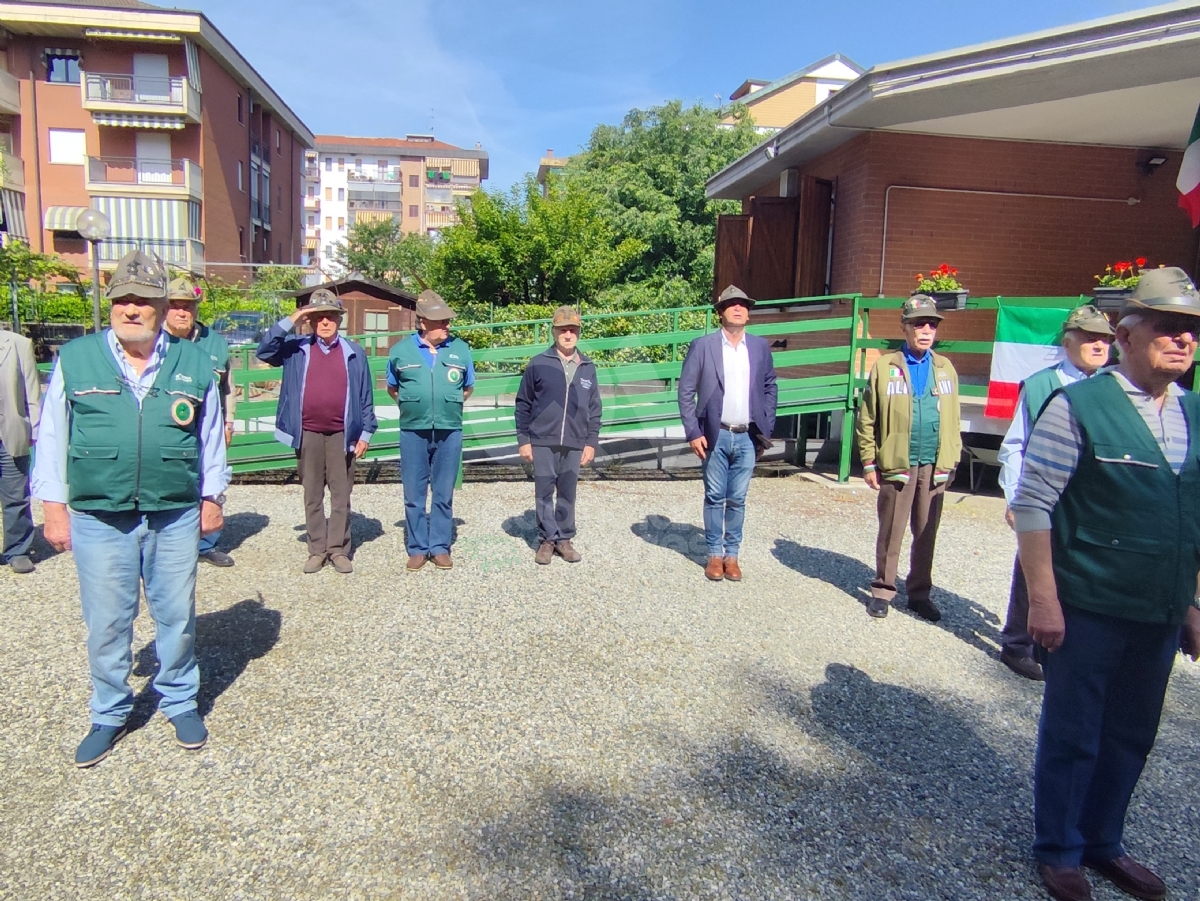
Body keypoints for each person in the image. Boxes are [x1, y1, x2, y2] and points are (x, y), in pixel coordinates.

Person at [1013, 266, 1200, 901]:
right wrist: (1043, 599)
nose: (1183, 341)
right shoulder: (1079, 407)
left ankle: (1104, 842)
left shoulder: (1196, 414)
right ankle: (1060, 848)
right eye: (1169, 327)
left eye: (1192, 331)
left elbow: (1193, 514)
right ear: (1125, 332)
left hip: (1159, 609)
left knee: (1132, 732)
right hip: (1088, 605)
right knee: (1076, 730)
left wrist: (1194, 600)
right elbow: (1034, 504)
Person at [30, 250, 230, 768]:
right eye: (123, 299)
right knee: (107, 621)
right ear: (111, 305)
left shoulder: (194, 362)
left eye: (143, 300)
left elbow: (210, 437)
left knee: (176, 615)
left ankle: (180, 700)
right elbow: (51, 437)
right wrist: (53, 507)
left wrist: (212, 497)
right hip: (100, 514)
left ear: (163, 307)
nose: (132, 308)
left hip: (174, 511)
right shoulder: (77, 360)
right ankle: (110, 712)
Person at [996, 305, 1113, 681]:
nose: (1099, 345)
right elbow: (1015, 445)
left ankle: (1068, 644)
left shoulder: (1116, 386)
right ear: (1068, 341)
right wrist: (1016, 497)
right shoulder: (1041, 384)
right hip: (1046, 498)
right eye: (1090, 337)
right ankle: (1017, 644)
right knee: (1034, 567)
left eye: (1105, 339)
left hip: (1093, 501)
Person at [855, 294, 962, 621]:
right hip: (896, 463)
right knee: (891, 530)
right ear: (905, 327)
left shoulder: (945, 368)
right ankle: (883, 590)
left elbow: (954, 419)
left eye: (931, 324)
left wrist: (951, 459)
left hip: (933, 463)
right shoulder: (886, 367)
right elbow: (867, 418)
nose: (926, 329)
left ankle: (919, 594)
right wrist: (869, 461)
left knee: (926, 531)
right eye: (919, 323)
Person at [256, 289, 375, 574]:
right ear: (309, 321)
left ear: (339, 321)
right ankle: (317, 549)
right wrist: (295, 316)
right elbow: (265, 349)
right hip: (307, 432)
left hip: (341, 435)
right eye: (318, 317)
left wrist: (366, 433)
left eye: (330, 317)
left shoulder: (353, 352)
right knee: (312, 494)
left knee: (340, 495)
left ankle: (338, 550)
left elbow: (365, 395)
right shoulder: (296, 348)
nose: (324, 322)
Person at [677, 285, 778, 582]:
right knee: (714, 496)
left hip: (747, 435)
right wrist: (693, 431)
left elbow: (770, 387)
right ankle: (714, 555)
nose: (738, 309)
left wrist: (765, 427)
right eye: (731, 305)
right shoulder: (703, 345)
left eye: (743, 305)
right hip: (714, 434)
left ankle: (732, 555)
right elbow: (685, 392)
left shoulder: (759, 347)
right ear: (720, 312)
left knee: (738, 498)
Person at [386, 289, 475, 572]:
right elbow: (392, 387)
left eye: (448, 321)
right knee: (413, 493)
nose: (447, 326)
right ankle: (417, 548)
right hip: (413, 430)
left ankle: (439, 546)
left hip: (449, 430)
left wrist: (444, 405)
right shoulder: (401, 351)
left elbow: (468, 387)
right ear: (422, 322)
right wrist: (416, 406)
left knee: (443, 491)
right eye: (441, 321)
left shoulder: (460, 349)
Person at [515, 305, 603, 564]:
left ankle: (564, 538)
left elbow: (595, 407)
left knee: (567, 491)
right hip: (542, 439)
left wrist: (591, 442)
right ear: (553, 332)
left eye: (573, 329)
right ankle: (546, 539)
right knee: (544, 490)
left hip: (575, 441)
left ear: (578, 333)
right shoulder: (538, 363)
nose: (568, 334)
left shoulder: (587, 367)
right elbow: (523, 403)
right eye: (563, 329)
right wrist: (524, 439)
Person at [164, 277, 238, 567]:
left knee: (210, 480)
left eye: (188, 307)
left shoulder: (215, 343)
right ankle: (171, 542)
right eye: (175, 306)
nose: (182, 312)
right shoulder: (154, 340)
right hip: (168, 426)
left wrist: (229, 422)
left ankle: (206, 543)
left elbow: (228, 388)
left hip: (207, 424)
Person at [0, 327, 41, 574]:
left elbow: (32, 391)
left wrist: (35, 430)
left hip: (10, 432)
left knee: (16, 496)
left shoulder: (17, 344)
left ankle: (17, 550)